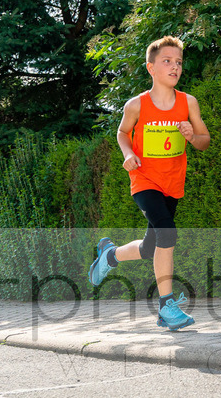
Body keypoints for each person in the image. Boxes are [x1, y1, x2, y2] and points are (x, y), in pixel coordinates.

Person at [88, 36, 211, 331]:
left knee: (150, 247)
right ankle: (166, 306)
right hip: (144, 179)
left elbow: (205, 141)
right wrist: (128, 153)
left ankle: (110, 254)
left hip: (172, 183)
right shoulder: (137, 105)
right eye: (167, 61)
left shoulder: (187, 103)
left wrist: (192, 135)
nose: (174, 66)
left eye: (178, 62)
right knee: (167, 232)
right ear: (151, 68)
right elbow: (121, 132)